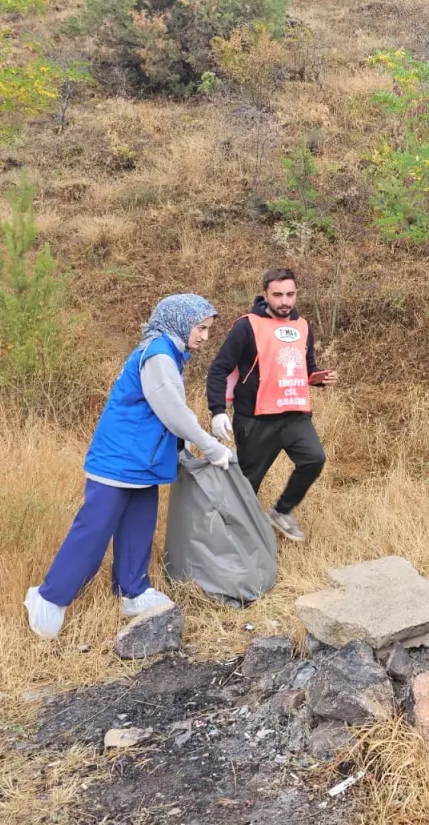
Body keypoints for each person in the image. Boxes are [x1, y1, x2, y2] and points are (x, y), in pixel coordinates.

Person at [24, 294, 235, 640]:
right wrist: (212, 449)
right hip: (118, 460)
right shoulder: (158, 356)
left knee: (138, 528)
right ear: (181, 323)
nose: (205, 337)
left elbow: (160, 414)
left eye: (208, 329)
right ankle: (48, 598)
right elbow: (173, 412)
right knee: (93, 532)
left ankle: (132, 591)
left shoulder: (168, 352)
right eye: (201, 328)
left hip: (141, 463)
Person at [206, 268, 336, 543]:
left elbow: (306, 368)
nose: (285, 301)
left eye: (290, 294)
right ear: (265, 294)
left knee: (314, 459)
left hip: (294, 414)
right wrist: (218, 411)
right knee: (246, 485)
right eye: (277, 295)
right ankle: (226, 541)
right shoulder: (247, 326)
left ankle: (282, 511)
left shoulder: (303, 326)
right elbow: (219, 369)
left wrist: (319, 378)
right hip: (256, 418)